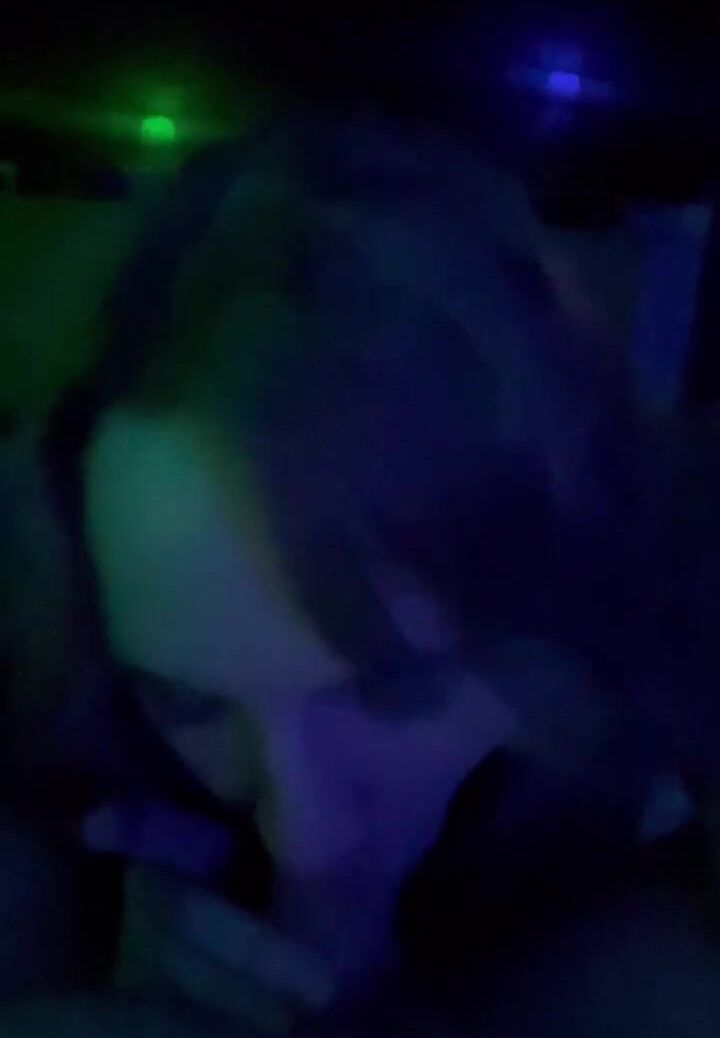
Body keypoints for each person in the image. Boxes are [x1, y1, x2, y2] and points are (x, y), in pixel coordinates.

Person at [39, 98, 657, 1014]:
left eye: (392, 684)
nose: (303, 837)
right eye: (190, 704)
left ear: (544, 609)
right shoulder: (77, 845)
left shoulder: (665, 922)